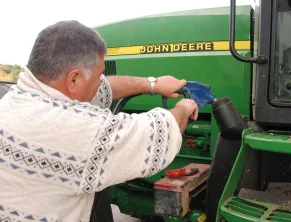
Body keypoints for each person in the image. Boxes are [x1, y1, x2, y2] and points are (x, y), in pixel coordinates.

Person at [0, 20, 198, 222]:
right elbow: (157, 133)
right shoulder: (70, 129)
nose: (100, 83)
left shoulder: (16, 100)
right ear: (74, 80)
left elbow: (106, 87)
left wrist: (152, 84)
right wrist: (184, 107)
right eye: (98, 76)